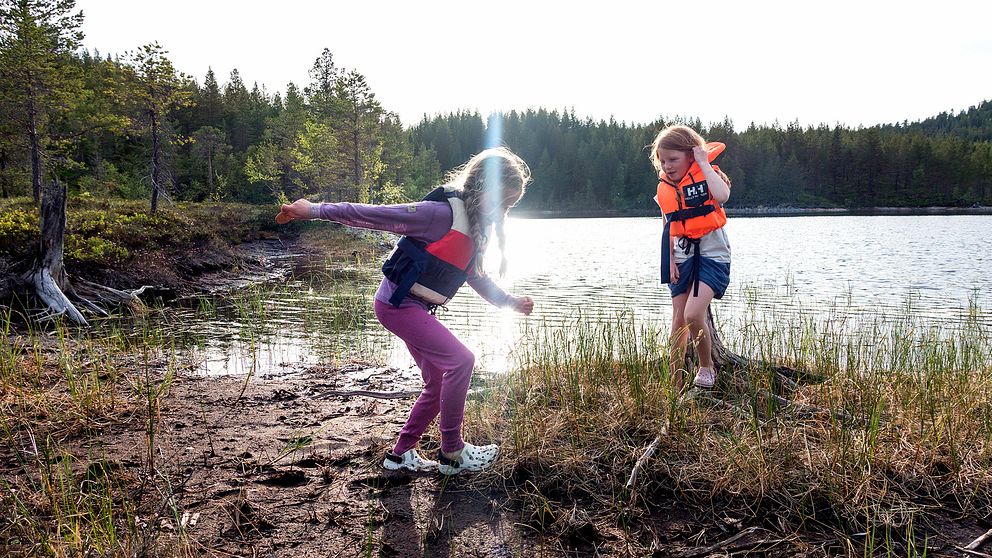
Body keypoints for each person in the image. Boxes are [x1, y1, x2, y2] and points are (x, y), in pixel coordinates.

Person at [275, 147, 534, 475]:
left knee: (438, 380)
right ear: (485, 188)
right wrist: (313, 210)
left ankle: (399, 455)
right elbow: (374, 214)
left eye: (510, 207)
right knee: (461, 361)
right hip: (398, 305)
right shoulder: (438, 214)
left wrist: (509, 301)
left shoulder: (474, 229)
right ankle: (452, 452)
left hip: (414, 307)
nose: (504, 212)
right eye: (504, 202)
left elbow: (476, 278)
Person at [649, 125, 732, 390]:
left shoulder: (709, 175)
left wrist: (703, 163)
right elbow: (667, 224)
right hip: (681, 255)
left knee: (693, 313)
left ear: (691, 155)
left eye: (673, 159)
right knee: (678, 319)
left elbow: (722, 196)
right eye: (663, 160)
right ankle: (675, 380)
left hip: (712, 255)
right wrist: (670, 259)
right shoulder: (665, 188)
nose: (667, 165)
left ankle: (706, 367)